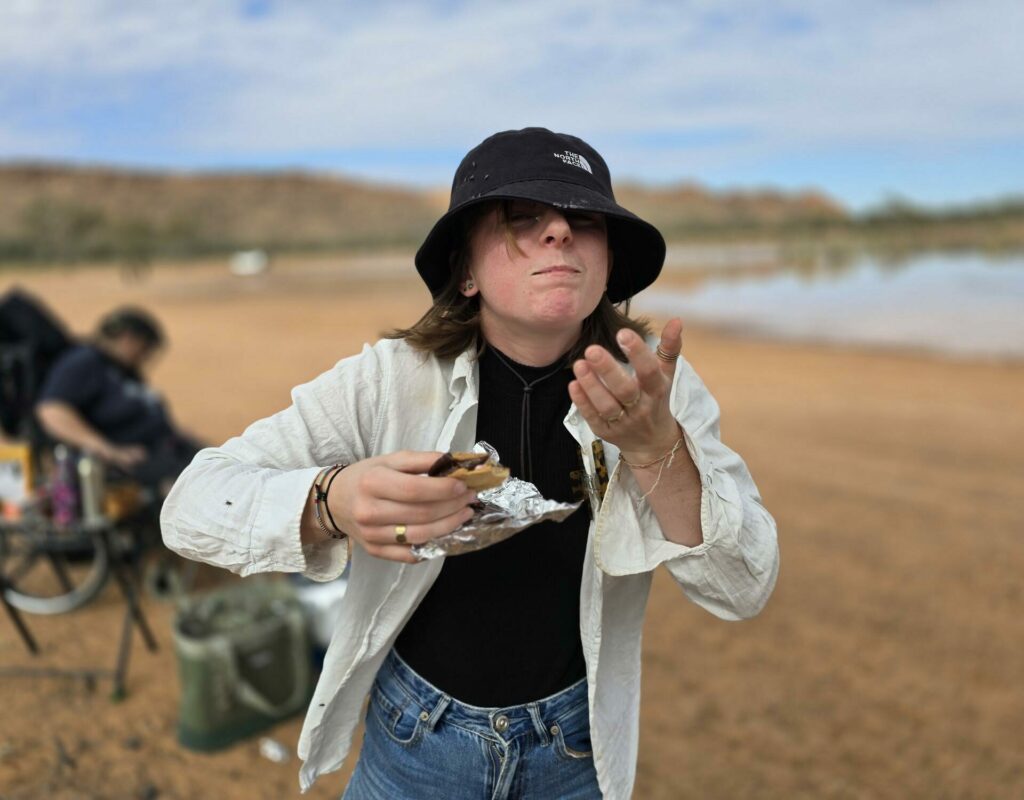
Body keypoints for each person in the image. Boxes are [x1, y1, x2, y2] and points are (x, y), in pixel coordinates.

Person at [161, 127, 780, 799]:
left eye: (584, 220)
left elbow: (742, 585)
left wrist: (657, 450)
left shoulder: (658, 387)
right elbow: (192, 504)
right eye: (522, 218)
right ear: (466, 271)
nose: (559, 233)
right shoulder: (388, 381)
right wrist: (331, 500)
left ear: (608, 265)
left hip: (576, 748)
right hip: (413, 741)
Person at [34, 306, 200, 494]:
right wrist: (108, 450)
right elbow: (52, 411)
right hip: (133, 461)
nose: (145, 358)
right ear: (128, 338)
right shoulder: (84, 361)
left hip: (167, 449)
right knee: (191, 486)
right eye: (145, 349)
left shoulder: (122, 369)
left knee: (216, 467)